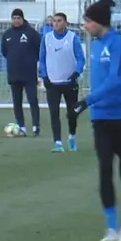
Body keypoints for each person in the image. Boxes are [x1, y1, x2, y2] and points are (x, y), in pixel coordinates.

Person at [73, 0, 121, 241]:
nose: (85, 26)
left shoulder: (120, 43)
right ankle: (112, 228)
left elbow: (116, 79)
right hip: (102, 118)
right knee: (104, 169)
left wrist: (87, 101)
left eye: (88, 22)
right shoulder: (94, 46)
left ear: (99, 22)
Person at [39, 12, 86, 152]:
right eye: (54, 21)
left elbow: (80, 58)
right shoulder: (46, 38)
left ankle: (72, 135)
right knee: (54, 113)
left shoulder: (72, 38)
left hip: (69, 82)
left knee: (72, 113)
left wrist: (77, 72)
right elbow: (42, 59)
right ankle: (58, 142)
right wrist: (45, 76)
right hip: (52, 83)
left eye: (59, 21)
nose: (56, 23)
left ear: (65, 22)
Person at [1, 8, 41, 136]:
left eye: (18, 18)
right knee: (17, 102)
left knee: (32, 100)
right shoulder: (7, 34)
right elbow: (5, 52)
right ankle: (21, 126)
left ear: (23, 19)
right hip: (14, 74)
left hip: (29, 74)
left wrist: (30, 61)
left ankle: (36, 126)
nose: (16, 20)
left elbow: (39, 50)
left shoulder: (32, 33)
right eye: (14, 18)